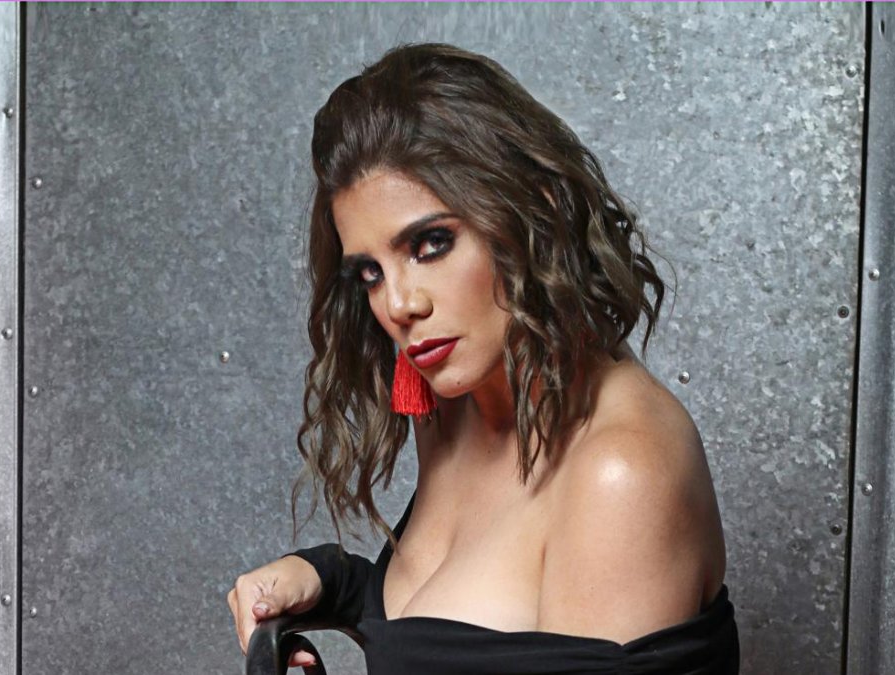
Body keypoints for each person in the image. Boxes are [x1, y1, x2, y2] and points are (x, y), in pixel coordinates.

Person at [228, 42, 738, 674]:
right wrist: (327, 579)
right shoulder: (456, 409)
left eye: (430, 244)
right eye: (370, 272)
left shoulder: (620, 474)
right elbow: (456, 628)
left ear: (532, 212)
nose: (400, 304)